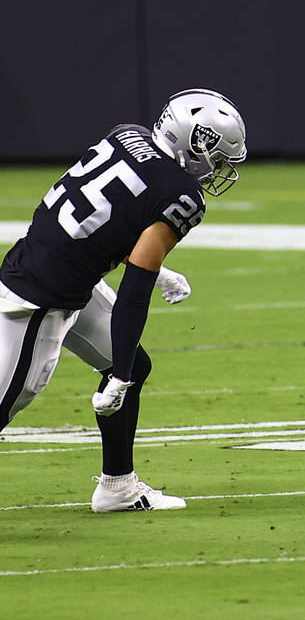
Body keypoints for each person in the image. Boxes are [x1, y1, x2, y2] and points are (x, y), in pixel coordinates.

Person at [0, 89, 247, 511]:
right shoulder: (180, 192)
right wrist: (120, 378)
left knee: (131, 362)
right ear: (194, 141)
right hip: (40, 299)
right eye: (218, 157)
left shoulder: (126, 135)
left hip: (53, 266)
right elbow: (134, 289)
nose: (217, 169)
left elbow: (109, 216)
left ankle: (118, 486)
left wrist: (159, 271)